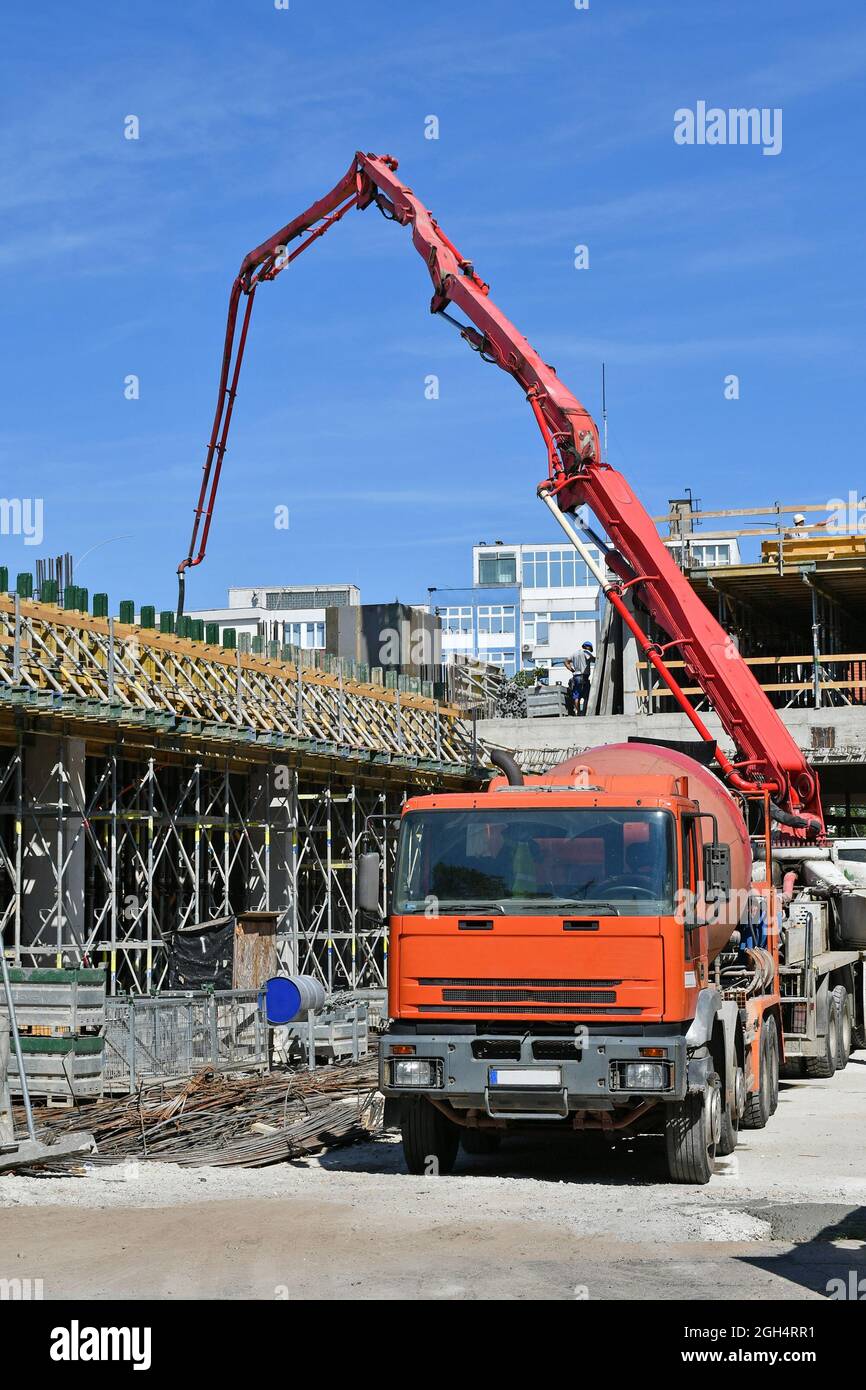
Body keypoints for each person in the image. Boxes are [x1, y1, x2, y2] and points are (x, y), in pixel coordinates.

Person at [565, 641, 595, 715]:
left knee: (576, 696)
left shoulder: (574, 653)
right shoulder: (586, 652)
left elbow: (566, 661)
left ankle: (578, 712)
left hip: (575, 677)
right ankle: (585, 712)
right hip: (584, 676)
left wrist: (571, 669)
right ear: (588, 647)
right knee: (587, 695)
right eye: (590, 648)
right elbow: (593, 659)